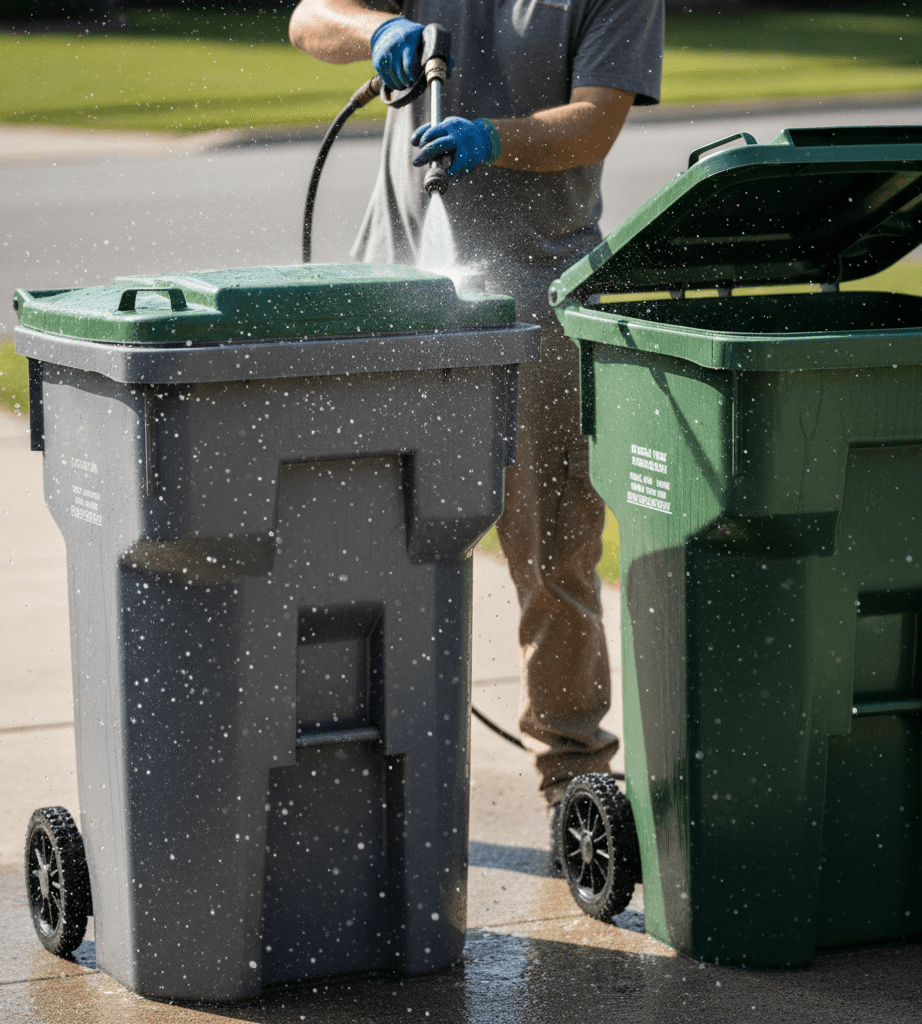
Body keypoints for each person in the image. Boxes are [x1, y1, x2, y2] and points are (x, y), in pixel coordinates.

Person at [289, 0, 664, 849]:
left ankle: (574, 781)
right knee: (358, 550)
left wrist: (491, 137)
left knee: (555, 552)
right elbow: (310, 18)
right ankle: (357, 763)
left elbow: (593, 123)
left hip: (538, 298)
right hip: (391, 294)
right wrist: (374, 32)